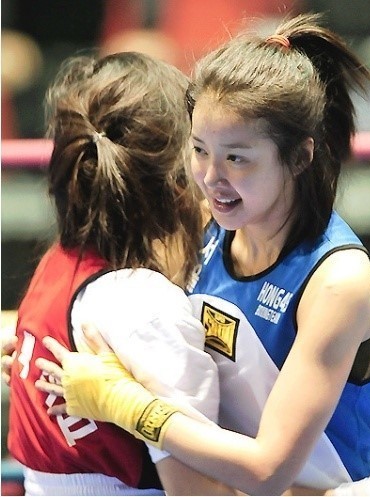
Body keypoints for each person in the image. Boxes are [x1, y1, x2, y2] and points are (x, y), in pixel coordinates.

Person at [35, 12, 370, 496]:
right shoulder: (202, 225)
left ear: (300, 156)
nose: (211, 178)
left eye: (236, 157)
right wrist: (45, 355)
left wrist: (128, 406)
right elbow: (133, 329)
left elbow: (269, 472)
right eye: (198, 150)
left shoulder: (336, 280)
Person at [6, 50, 235, 496]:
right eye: (200, 151)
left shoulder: (59, 262)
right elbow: (199, 493)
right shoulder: (143, 304)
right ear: (178, 182)